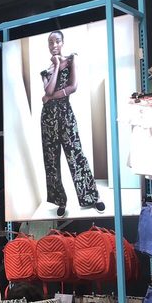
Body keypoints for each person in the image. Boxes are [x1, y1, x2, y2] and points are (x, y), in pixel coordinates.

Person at [40, 30, 104, 217]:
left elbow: (73, 87)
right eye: (50, 42)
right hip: (48, 118)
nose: (54, 45)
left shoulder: (71, 60)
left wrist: (51, 97)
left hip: (65, 115)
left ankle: (92, 197)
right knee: (51, 160)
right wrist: (56, 66)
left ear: (62, 42)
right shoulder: (46, 71)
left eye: (57, 41)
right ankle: (60, 201)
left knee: (76, 155)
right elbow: (48, 90)